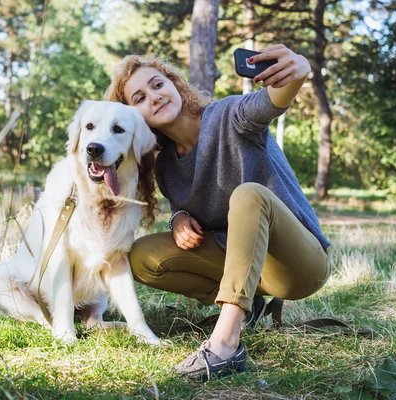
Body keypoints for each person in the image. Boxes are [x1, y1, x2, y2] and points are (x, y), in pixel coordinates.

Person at [104, 44, 331, 382]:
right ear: (136, 119)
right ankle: (246, 305)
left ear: (174, 84)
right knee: (141, 256)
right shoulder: (166, 165)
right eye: (138, 98)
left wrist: (297, 70)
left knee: (249, 195)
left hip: (299, 265)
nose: (153, 96)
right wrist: (178, 217)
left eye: (157, 84)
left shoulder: (230, 116)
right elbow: (191, 204)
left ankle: (225, 344)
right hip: (247, 267)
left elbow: (273, 99)